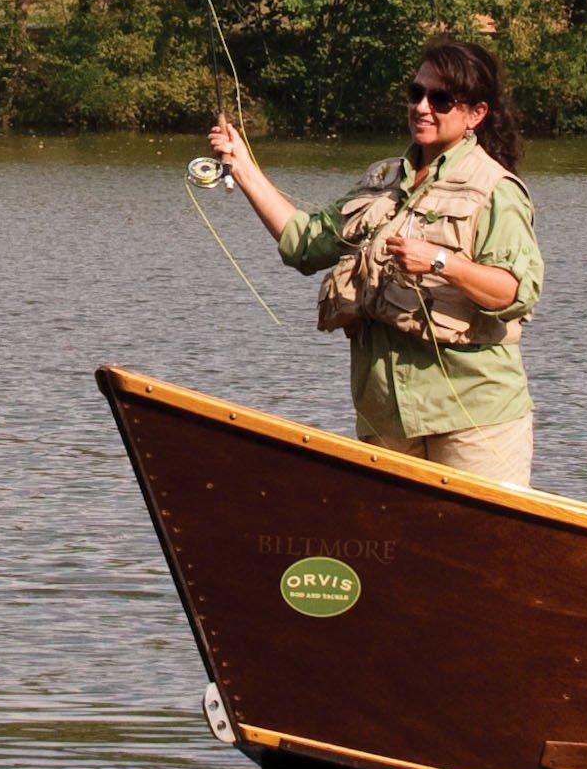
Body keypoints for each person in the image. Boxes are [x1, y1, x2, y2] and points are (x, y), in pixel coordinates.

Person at [201, 38, 544, 490]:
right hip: (385, 417)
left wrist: (442, 262)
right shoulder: (381, 180)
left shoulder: (496, 190)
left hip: (473, 422)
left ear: (475, 114)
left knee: (482, 550)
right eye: (415, 93)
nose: (422, 107)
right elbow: (304, 243)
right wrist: (244, 167)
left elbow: (516, 292)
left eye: (440, 99)